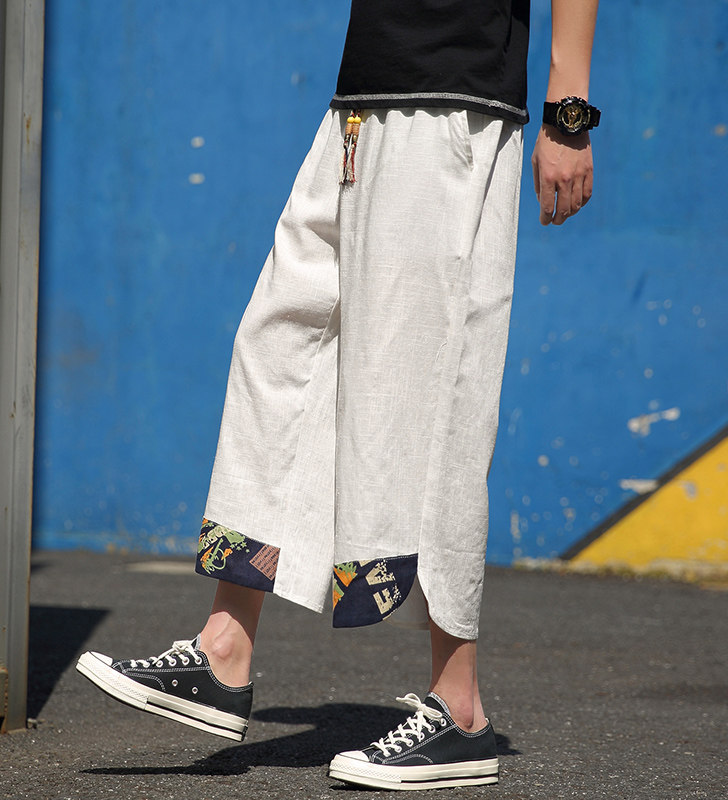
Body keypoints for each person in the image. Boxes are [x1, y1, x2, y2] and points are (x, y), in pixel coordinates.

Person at [77, 0, 599, 790]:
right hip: (365, 96)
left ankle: (460, 709)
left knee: (428, 395)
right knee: (280, 341)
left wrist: (568, 110)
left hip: (452, 101)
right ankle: (224, 651)